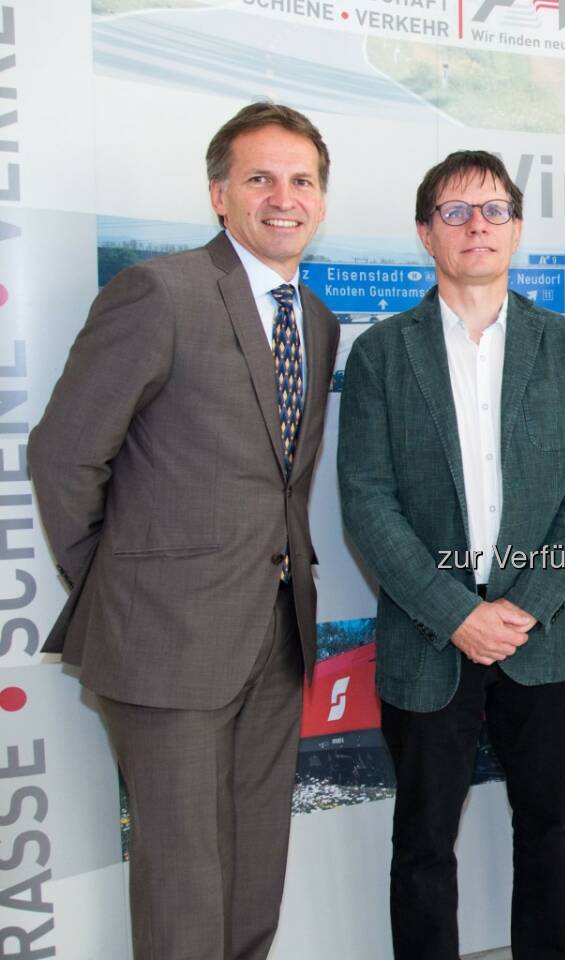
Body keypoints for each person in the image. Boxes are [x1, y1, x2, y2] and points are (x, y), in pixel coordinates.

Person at [29, 101, 337, 960]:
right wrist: (122, 586)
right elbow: (63, 456)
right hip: (165, 645)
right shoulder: (158, 293)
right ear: (219, 194)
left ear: (320, 198)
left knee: (252, 870)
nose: (284, 196)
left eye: (302, 179)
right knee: (183, 878)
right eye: (260, 178)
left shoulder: (315, 320)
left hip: (275, 639)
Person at [336, 150, 565, 960]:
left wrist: (525, 604)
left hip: (546, 638)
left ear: (518, 229)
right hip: (431, 639)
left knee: (549, 830)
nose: (476, 226)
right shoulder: (384, 354)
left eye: (493, 210)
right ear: (426, 233)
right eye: (455, 213)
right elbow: (368, 499)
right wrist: (458, 612)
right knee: (423, 841)